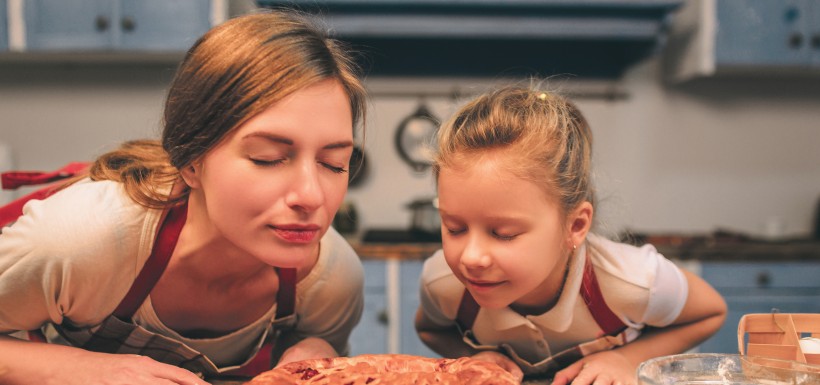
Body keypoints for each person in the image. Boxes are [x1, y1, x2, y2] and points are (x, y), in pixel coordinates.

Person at [0, 10, 367, 385]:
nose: (310, 196)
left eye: (333, 163)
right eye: (267, 159)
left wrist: (315, 349)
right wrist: (84, 369)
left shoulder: (333, 281)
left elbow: (321, 346)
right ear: (191, 163)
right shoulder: (79, 241)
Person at [415, 85, 727, 385]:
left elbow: (710, 312)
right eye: (454, 229)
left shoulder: (630, 282)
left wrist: (628, 359)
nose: (471, 257)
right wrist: (471, 356)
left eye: (504, 234)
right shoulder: (444, 285)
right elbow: (430, 329)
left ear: (575, 226)